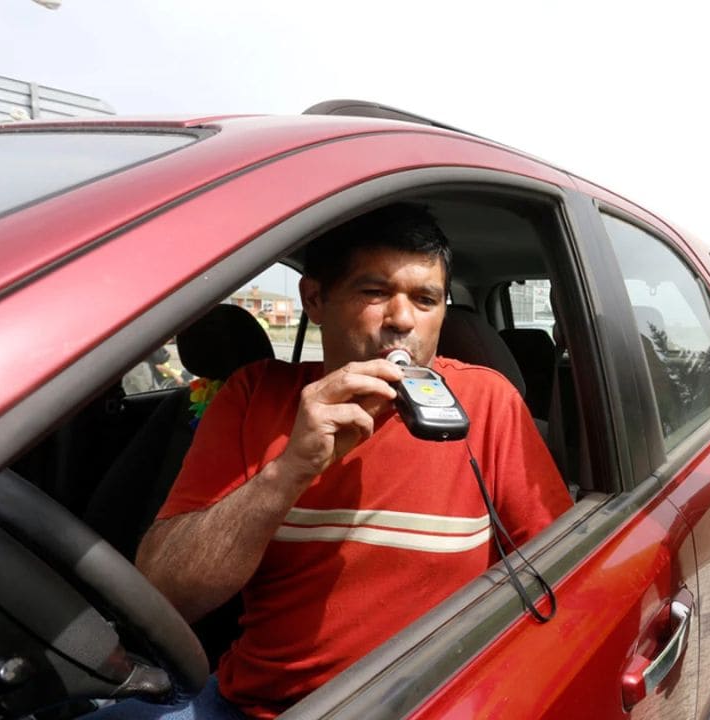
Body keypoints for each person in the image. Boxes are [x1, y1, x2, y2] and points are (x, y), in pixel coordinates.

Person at [93, 204, 573, 719]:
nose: (403, 320)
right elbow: (165, 594)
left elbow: (564, 583)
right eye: (375, 292)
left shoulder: (488, 404)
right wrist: (289, 470)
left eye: (426, 299)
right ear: (316, 298)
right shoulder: (254, 396)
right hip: (246, 705)